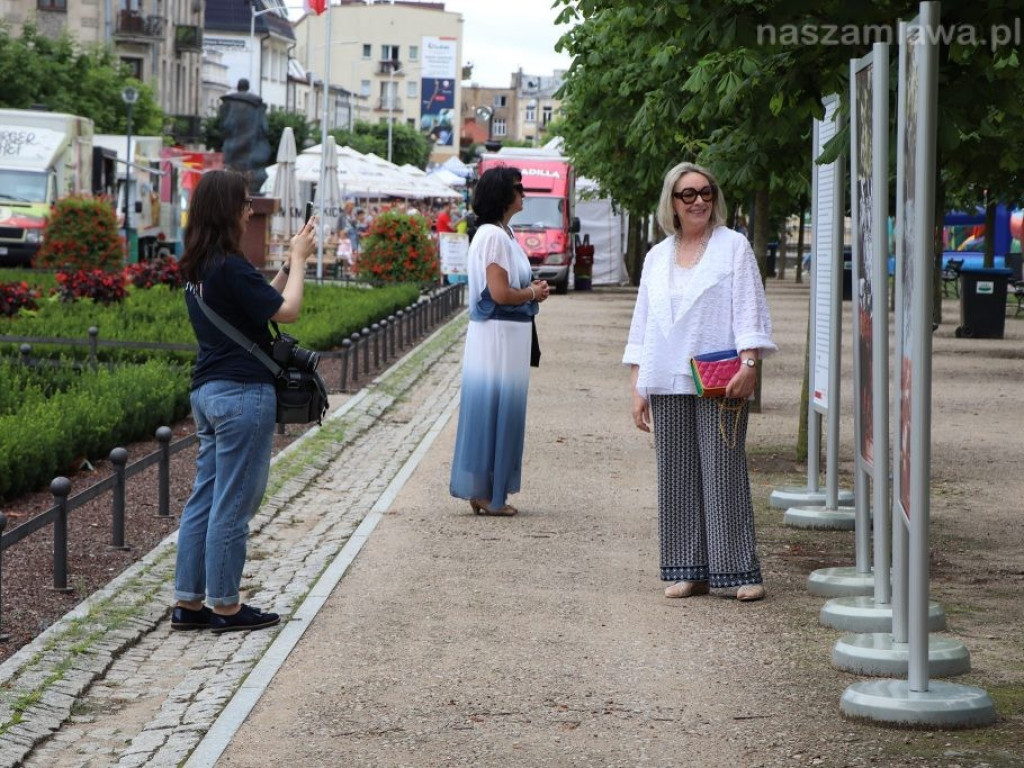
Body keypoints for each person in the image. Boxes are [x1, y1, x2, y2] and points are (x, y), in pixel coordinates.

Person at [623, 161, 776, 602]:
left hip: (719, 378)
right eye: (688, 194)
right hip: (666, 376)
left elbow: (749, 308)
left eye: (705, 192)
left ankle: (738, 571)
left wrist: (750, 364)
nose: (699, 201)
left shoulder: (733, 247)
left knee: (723, 470)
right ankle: (688, 569)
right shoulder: (656, 257)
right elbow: (643, 326)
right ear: (671, 203)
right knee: (675, 475)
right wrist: (638, 387)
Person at [172, 170, 318, 632]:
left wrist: (284, 268)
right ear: (226, 209)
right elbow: (288, 310)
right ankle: (227, 606)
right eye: (244, 202)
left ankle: (189, 603)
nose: (250, 209)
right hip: (241, 395)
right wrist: (300, 261)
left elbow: (257, 304)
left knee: (206, 499)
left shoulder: (199, 266)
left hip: (207, 392)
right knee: (233, 503)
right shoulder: (229, 266)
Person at [449, 166, 550, 516]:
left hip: (506, 337)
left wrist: (532, 290)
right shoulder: (493, 236)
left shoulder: (503, 233)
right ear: (503, 195)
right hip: (498, 338)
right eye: (518, 188)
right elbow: (500, 292)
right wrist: (532, 292)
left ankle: (487, 490)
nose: (524, 193)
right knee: (496, 410)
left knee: (495, 410)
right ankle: (489, 494)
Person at [217, 79, 272, 195]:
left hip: (231, 149)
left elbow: (223, 126)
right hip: (251, 151)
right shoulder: (258, 105)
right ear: (247, 88)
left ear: (238, 87)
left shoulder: (227, 103)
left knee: (231, 177)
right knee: (253, 180)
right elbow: (264, 128)